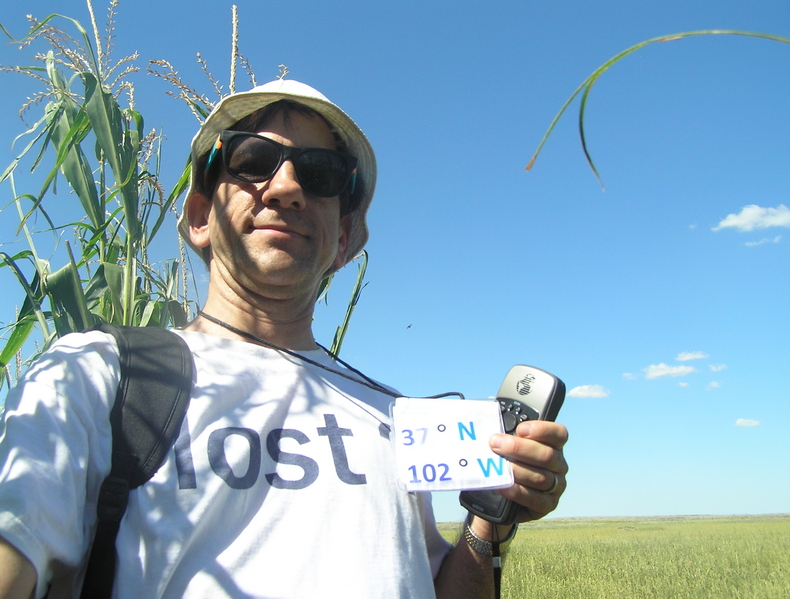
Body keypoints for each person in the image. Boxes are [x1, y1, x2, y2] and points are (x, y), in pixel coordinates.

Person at [0, 79, 569, 598]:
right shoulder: (97, 375)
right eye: (254, 160)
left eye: (320, 174)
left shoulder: (396, 419)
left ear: (343, 239)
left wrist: (489, 525)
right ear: (200, 216)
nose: (287, 187)